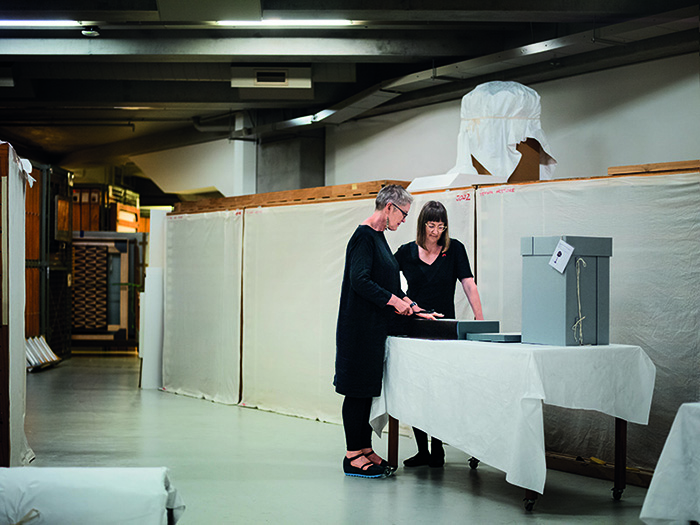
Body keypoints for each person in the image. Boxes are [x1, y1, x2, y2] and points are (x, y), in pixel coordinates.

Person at [334, 184, 436, 479]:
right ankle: (352, 455)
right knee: (355, 392)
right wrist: (394, 301)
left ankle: (364, 448)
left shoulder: (379, 239)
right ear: (389, 207)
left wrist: (414, 307)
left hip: (374, 330)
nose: (404, 221)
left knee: (367, 391)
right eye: (403, 214)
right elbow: (360, 280)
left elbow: (391, 284)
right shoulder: (364, 237)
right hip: (358, 330)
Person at [394, 200, 484, 468]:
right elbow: (389, 282)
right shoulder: (405, 252)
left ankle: (438, 448)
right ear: (422, 225)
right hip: (416, 328)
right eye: (431, 226)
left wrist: (480, 320)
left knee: (442, 389)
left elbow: (469, 284)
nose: (435, 232)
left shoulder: (455, 249)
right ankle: (423, 449)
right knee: (419, 390)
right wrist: (405, 304)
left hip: (445, 328)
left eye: (441, 226)